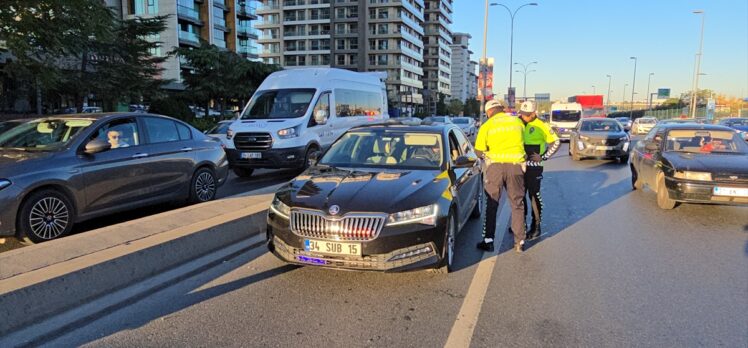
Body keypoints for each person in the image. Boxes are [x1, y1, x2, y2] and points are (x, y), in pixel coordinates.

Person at [475, 99, 527, 253]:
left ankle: (488, 240)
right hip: (516, 166)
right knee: (517, 204)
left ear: (489, 112)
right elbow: (525, 142)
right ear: (502, 109)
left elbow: (478, 151)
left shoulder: (487, 125)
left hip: (495, 168)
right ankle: (520, 241)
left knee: (492, 204)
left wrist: (488, 156)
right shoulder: (517, 122)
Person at [518, 100, 560, 241]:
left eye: (527, 115)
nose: (524, 116)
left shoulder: (543, 125)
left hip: (534, 167)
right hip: (519, 165)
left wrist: (544, 157)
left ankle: (536, 226)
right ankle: (519, 224)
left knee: (534, 196)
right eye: (522, 114)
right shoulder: (517, 123)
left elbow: (556, 142)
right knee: (518, 196)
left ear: (534, 113)